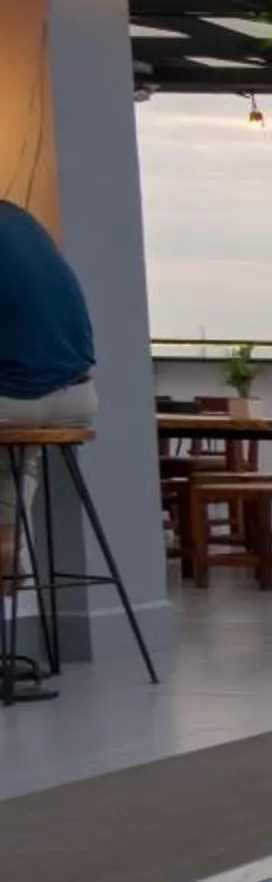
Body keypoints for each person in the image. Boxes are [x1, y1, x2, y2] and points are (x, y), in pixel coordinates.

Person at [0, 198, 98, 606]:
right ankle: (7, 543)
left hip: (15, 398)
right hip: (75, 395)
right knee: (17, 460)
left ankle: (6, 547)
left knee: (12, 442)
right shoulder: (20, 219)